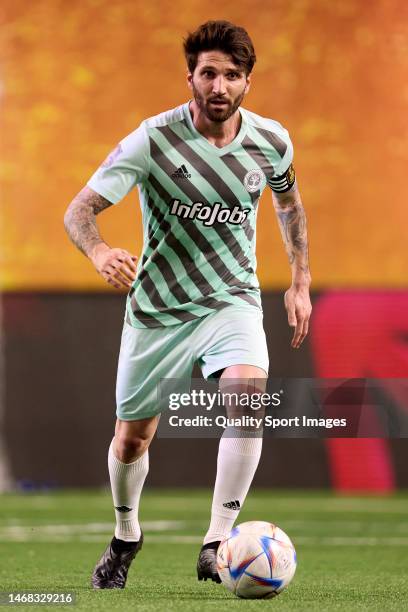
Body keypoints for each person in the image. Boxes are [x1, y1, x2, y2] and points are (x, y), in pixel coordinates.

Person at [64, 20, 312, 589]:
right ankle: (127, 534)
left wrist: (300, 280)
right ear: (191, 78)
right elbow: (78, 210)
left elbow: (289, 204)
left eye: (232, 74)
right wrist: (99, 251)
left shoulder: (272, 140)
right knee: (132, 439)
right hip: (158, 308)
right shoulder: (152, 140)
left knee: (247, 395)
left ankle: (218, 540)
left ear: (248, 81)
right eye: (208, 74)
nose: (219, 85)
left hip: (232, 298)